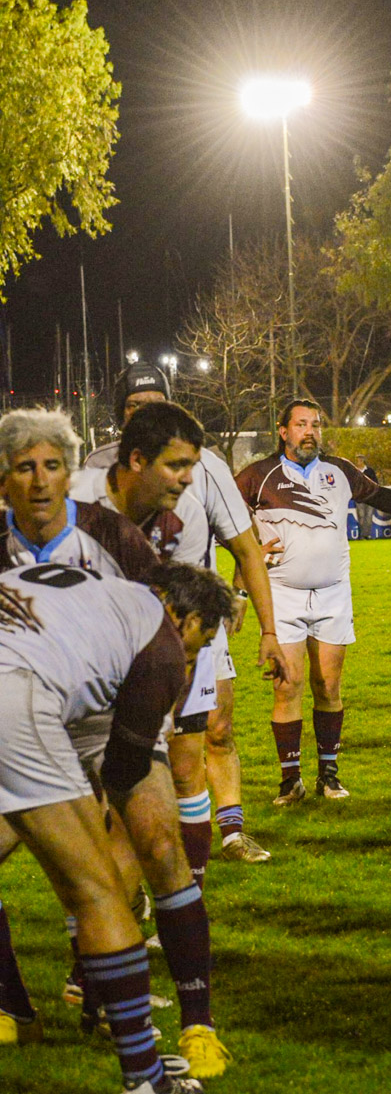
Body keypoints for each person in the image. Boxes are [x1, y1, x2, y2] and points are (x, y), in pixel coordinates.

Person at [0, 409, 234, 1077]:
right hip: (29, 706)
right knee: (87, 872)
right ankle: (16, 1004)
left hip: (107, 706)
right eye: (24, 468)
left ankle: (196, 1026)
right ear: (5, 482)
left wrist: (126, 760)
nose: (40, 482)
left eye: (51, 467)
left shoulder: (113, 536)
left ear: (69, 475)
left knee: (158, 844)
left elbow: (158, 637)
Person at [85, 363, 287, 864]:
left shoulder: (206, 474)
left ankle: (222, 842)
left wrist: (267, 628)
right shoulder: (91, 472)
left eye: (156, 402)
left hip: (190, 629)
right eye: (135, 406)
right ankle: (135, 891)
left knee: (201, 740)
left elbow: (245, 547)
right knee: (118, 768)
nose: (146, 413)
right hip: (108, 640)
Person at [235, 399, 391, 805]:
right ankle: (290, 781)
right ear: (283, 431)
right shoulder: (256, 476)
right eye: (301, 424)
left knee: (329, 685)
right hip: (280, 596)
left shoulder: (338, 470)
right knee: (289, 688)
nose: (310, 431)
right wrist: (249, 550)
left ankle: (329, 775)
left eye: (316, 424)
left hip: (334, 593)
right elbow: (225, 519)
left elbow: (382, 497)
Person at [353, 454, 378, 539]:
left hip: (370, 496)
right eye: (357, 459)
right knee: (361, 515)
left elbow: (375, 482)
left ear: (363, 460)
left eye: (359, 459)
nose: (358, 461)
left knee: (369, 515)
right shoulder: (354, 471)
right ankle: (363, 534)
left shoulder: (369, 471)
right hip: (359, 496)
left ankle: (366, 534)